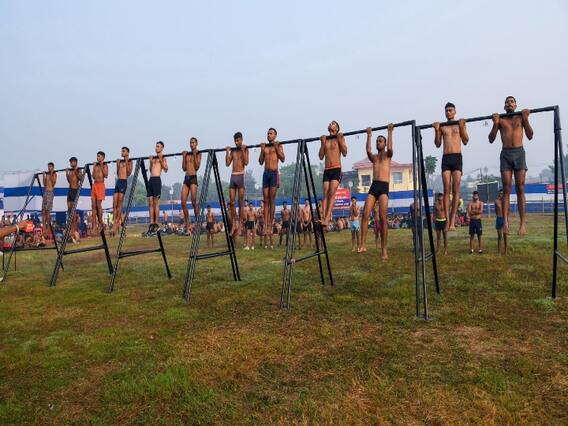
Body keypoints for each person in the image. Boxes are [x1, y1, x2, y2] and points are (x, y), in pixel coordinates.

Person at [488, 96, 533, 236]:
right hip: (506, 153)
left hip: (519, 152)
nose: (509, 103)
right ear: (504, 106)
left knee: (520, 188)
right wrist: (495, 123)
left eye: (512, 101)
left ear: (515, 105)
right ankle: (506, 223)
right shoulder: (501, 120)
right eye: (507, 102)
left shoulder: (521, 117)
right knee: (506, 189)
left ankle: (522, 224)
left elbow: (530, 135)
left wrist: (526, 119)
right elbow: (491, 139)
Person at [359, 124, 394, 260]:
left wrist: (389, 132)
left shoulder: (388, 155)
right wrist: (369, 135)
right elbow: (368, 151)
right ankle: (363, 244)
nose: (378, 143)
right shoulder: (374, 158)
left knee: (383, 218)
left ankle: (384, 250)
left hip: (384, 186)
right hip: (374, 186)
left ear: (384, 143)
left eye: (380, 141)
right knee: (365, 214)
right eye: (377, 141)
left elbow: (390, 148)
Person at [432, 102, 469, 231]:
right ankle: (447, 220)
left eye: (450, 110)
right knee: (446, 189)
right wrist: (436, 130)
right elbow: (437, 144)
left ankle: (453, 219)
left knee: (456, 188)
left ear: (455, 112)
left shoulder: (459, 124)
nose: (448, 112)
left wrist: (462, 127)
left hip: (457, 157)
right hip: (446, 158)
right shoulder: (443, 126)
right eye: (446, 111)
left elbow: (466, 141)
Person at [318, 121, 347, 229]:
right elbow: (321, 156)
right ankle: (324, 218)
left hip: (336, 168)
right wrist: (322, 144)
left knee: (331, 193)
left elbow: (345, 152)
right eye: (330, 123)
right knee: (325, 193)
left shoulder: (339, 137)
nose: (330, 124)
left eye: (333, 123)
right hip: (327, 169)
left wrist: (340, 140)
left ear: (337, 128)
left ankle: (327, 218)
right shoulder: (325, 139)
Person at [259, 128, 285, 248]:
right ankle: (265, 224)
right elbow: (260, 162)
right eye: (268, 134)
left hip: (274, 173)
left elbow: (283, 158)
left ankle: (270, 223)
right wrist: (262, 150)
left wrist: (276, 147)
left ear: (275, 135)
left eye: (271, 133)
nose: (269, 135)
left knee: (272, 199)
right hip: (266, 174)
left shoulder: (278, 145)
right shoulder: (265, 147)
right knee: (266, 200)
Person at [226, 132, 249, 243]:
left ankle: (240, 225)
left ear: (241, 139)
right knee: (232, 202)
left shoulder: (245, 149)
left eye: (238, 140)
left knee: (240, 202)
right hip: (233, 176)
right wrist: (227, 152)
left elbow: (246, 162)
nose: (236, 143)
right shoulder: (233, 151)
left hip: (240, 175)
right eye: (235, 141)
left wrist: (243, 151)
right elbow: (227, 163)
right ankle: (234, 224)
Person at [146, 141, 168, 236]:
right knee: (150, 202)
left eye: (158, 146)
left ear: (162, 148)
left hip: (157, 180)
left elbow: (166, 169)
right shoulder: (153, 158)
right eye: (156, 146)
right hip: (151, 179)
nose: (156, 148)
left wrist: (161, 159)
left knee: (156, 202)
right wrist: (151, 162)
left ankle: (156, 222)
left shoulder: (163, 158)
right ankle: (151, 223)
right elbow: (151, 170)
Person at [181, 137, 202, 235]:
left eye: (193, 142)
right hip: (186, 178)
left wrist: (194, 155)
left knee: (194, 202)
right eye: (190, 143)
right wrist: (184, 157)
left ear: (196, 143)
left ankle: (198, 224)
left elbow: (197, 167)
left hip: (193, 177)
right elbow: (184, 168)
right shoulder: (187, 154)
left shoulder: (198, 153)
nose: (191, 144)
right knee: (183, 202)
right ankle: (187, 225)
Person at [111, 147, 132, 236]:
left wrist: (126, 162)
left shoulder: (130, 161)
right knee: (114, 203)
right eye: (121, 151)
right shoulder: (120, 161)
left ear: (127, 153)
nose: (122, 152)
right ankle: (117, 220)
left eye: (123, 151)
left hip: (123, 181)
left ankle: (117, 222)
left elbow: (129, 173)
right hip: (118, 181)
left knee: (120, 202)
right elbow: (117, 173)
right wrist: (117, 165)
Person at [91, 152, 108, 235]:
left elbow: (106, 175)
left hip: (101, 185)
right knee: (93, 205)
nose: (97, 158)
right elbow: (93, 176)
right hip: (95, 184)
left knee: (98, 205)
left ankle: (100, 223)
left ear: (103, 157)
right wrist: (94, 167)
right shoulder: (96, 165)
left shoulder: (105, 165)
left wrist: (101, 165)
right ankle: (94, 225)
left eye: (99, 156)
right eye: (97, 156)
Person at [65, 157, 82, 241]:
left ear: (76, 162)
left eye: (72, 162)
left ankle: (74, 230)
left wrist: (76, 171)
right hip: (70, 190)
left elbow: (81, 178)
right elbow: (69, 181)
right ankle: (71, 230)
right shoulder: (70, 170)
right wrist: (67, 174)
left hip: (75, 190)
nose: (71, 163)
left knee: (73, 211)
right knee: (69, 210)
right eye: (70, 162)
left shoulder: (78, 169)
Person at [41, 162, 57, 238]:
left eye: (50, 167)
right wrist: (44, 176)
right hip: (45, 192)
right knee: (43, 211)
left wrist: (50, 174)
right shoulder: (47, 174)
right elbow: (44, 184)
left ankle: (48, 228)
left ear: (53, 167)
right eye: (48, 167)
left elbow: (53, 183)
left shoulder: (54, 174)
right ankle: (44, 227)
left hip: (50, 193)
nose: (49, 168)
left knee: (48, 211)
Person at [495, 189, 507, 254]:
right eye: (500, 193)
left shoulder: (506, 201)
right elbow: (496, 210)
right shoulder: (496, 201)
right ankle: (499, 251)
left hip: (504, 218)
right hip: (499, 218)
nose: (501, 194)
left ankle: (505, 250)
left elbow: (508, 210)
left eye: (502, 193)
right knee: (499, 236)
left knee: (505, 235)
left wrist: (506, 219)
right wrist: (498, 216)